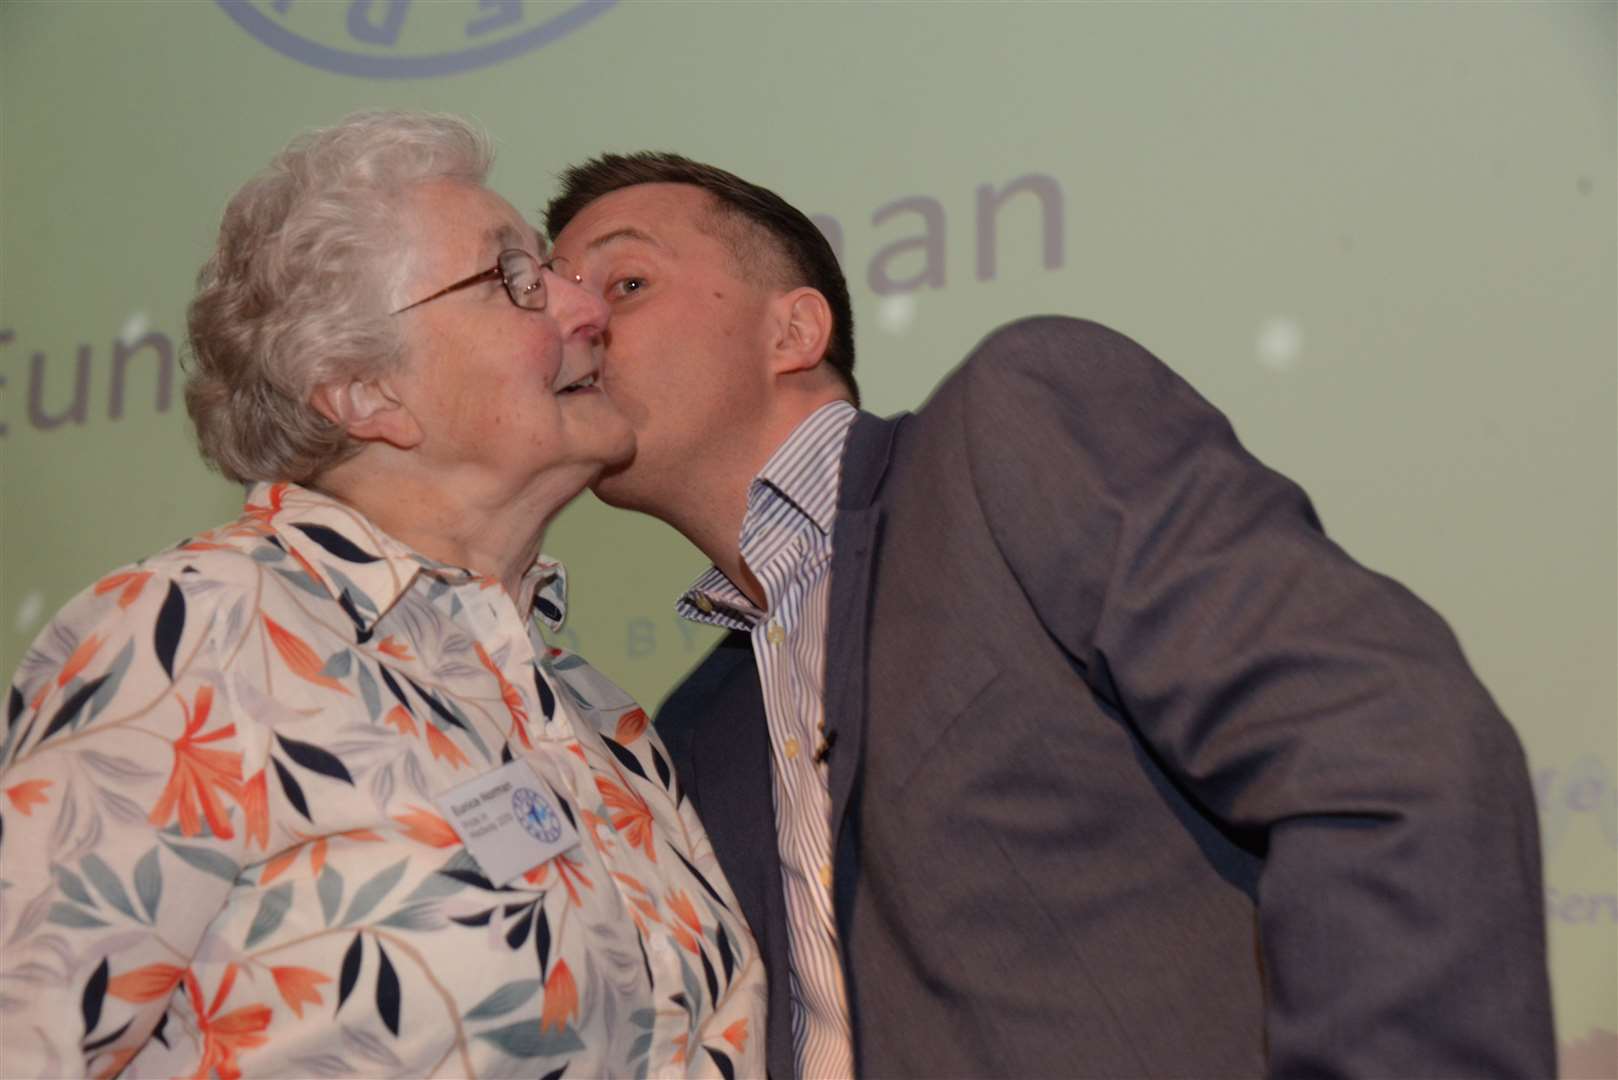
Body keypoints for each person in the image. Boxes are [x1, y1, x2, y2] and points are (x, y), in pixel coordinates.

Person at [544, 153, 1556, 1079]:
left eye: (623, 283)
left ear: (792, 331)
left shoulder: (1009, 434)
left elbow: (1392, 750)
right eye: (554, 301)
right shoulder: (684, 736)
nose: (574, 324)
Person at [0, 117, 763, 1079]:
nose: (585, 309)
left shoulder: (601, 719)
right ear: (363, 393)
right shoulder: (198, 633)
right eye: (516, 280)